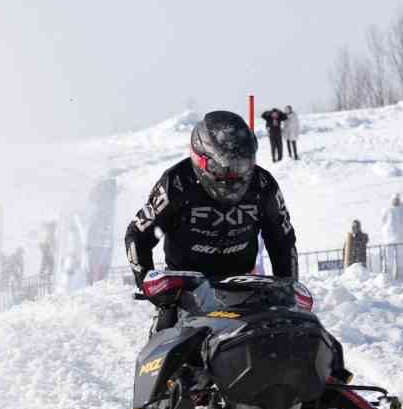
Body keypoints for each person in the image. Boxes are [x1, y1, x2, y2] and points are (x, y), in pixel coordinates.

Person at [125, 111, 298, 330]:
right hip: (184, 293)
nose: (233, 176)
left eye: (241, 166)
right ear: (200, 160)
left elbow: (283, 240)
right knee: (165, 340)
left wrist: (288, 290)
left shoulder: (263, 184)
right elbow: (138, 235)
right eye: (222, 168)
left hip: (244, 290)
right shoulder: (176, 183)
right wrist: (149, 285)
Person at [381, 194, 403, 280]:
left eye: (397, 199)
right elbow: (383, 220)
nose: (396, 201)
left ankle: (399, 277)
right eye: (394, 199)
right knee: (388, 258)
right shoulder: (387, 209)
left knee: (400, 258)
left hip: (400, 238)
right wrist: (387, 230)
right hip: (389, 238)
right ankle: (388, 277)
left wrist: (401, 228)